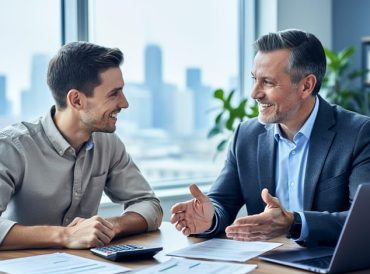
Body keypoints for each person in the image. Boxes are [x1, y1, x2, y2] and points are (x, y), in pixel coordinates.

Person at [170, 29, 370, 247]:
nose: (254, 93)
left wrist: (295, 223)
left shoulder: (358, 134)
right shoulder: (245, 135)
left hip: (332, 267)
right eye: (254, 79)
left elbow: (363, 222)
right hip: (268, 266)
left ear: (306, 86)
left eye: (267, 82)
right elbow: (222, 202)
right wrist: (209, 219)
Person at [0, 42, 162, 250]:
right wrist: (65, 236)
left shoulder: (108, 144)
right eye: (114, 93)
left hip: (84, 273)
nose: (124, 103)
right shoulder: (12, 147)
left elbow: (149, 204)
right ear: (76, 100)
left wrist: (109, 227)